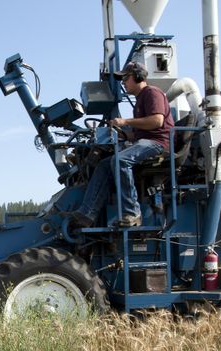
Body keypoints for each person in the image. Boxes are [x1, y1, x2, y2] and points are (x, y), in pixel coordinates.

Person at [70, 61, 174, 227]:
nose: (123, 82)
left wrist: (125, 121)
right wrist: (123, 134)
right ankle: (87, 213)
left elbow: (156, 121)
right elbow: (140, 133)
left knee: (120, 160)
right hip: (145, 141)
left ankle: (132, 212)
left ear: (138, 77)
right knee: (104, 164)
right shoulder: (140, 100)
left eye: (126, 78)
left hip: (158, 143)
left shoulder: (152, 93)